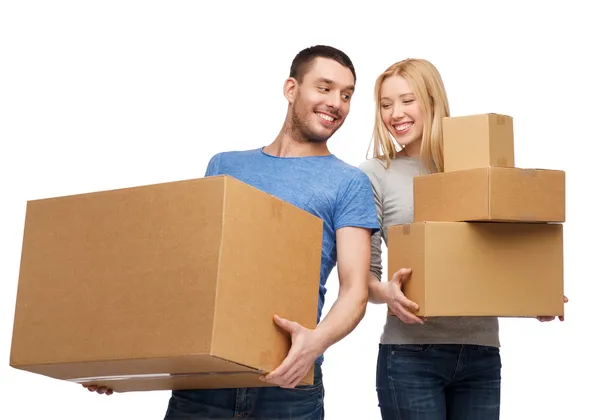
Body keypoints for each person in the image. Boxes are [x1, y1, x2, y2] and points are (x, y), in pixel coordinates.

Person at [85, 45, 380, 420]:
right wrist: (120, 362)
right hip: (203, 386)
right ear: (291, 89)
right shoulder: (225, 166)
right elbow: (186, 276)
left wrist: (314, 344)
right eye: (324, 88)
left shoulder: (350, 182)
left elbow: (354, 291)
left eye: (347, 94)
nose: (336, 102)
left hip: (287, 387)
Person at [358, 58, 568, 420]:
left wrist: (535, 292)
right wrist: (386, 293)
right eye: (386, 104)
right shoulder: (375, 175)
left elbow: (495, 248)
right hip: (411, 355)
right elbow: (363, 276)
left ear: (432, 100)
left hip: (481, 353)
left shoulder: (475, 168)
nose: (396, 113)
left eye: (407, 100)